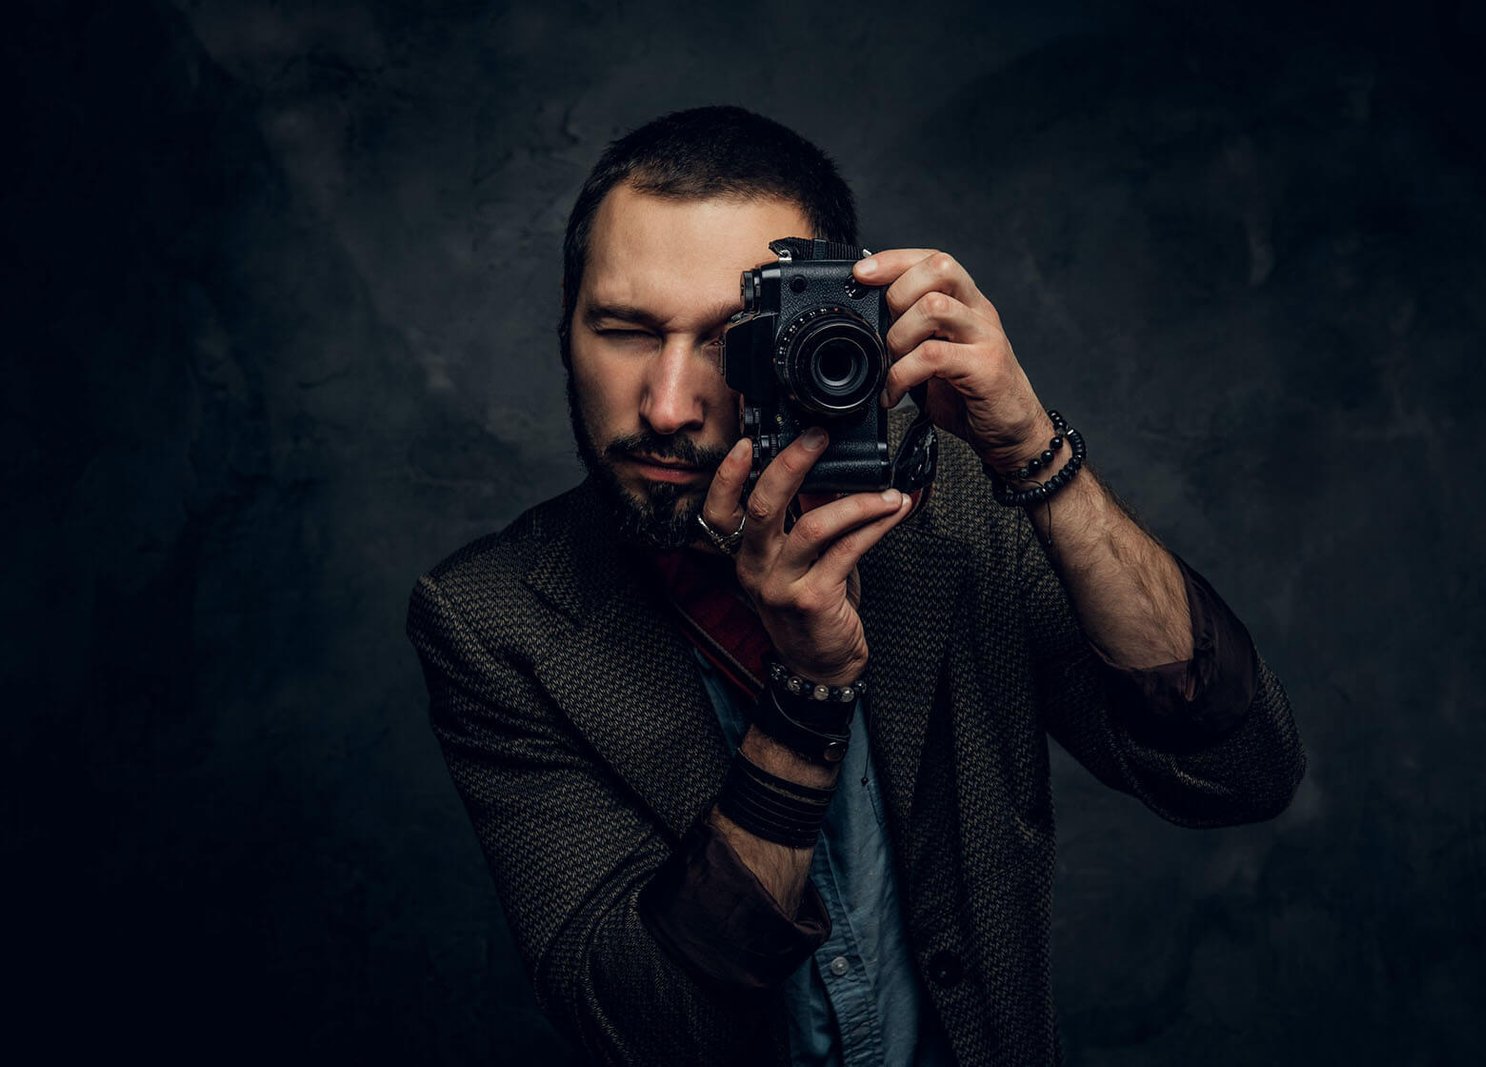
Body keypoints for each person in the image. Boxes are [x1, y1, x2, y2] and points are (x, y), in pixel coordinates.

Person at [406, 105, 1306, 1066]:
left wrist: (1034, 455)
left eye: (728, 342)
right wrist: (807, 691)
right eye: (625, 330)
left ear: (824, 329)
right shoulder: (494, 623)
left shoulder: (950, 512)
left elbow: (1237, 770)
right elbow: (652, 1028)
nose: (668, 405)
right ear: (566, 318)